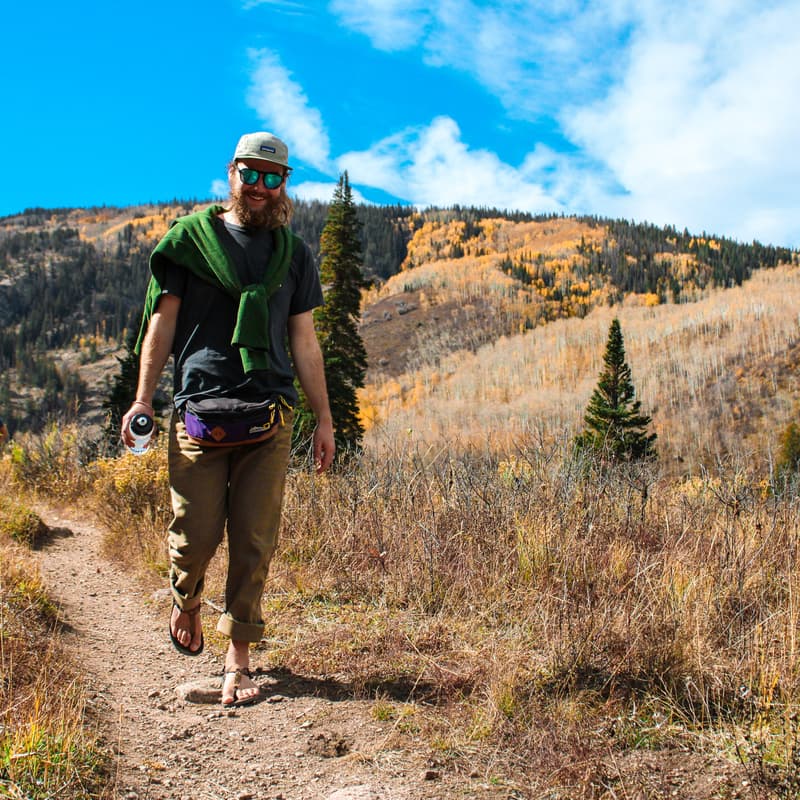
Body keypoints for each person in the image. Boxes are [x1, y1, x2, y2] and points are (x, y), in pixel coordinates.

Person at [121, 132, 335, 707]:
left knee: (254, 540)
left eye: (273, 177)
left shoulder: (293, 255)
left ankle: (238, 657)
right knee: (193, 536)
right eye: (251, 174)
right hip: (199, 411)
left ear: (284, 183)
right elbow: (161, 326)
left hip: (269, 414)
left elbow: (305, 343)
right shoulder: (189, 242)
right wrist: (143, 399)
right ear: (231, 172)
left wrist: (324, 418)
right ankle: (186, 597)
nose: (261, 187)